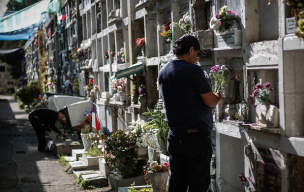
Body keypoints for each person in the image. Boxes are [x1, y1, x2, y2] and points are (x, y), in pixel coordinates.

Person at [158, 35, 224, 192]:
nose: (197, 58)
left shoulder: (163, 71)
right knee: (198, 184)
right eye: (196, 54)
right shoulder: (193, 70)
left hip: (175, 136)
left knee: (177, 182)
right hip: (195, 138)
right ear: (191, 50)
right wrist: (218, 96)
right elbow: (210, 101)